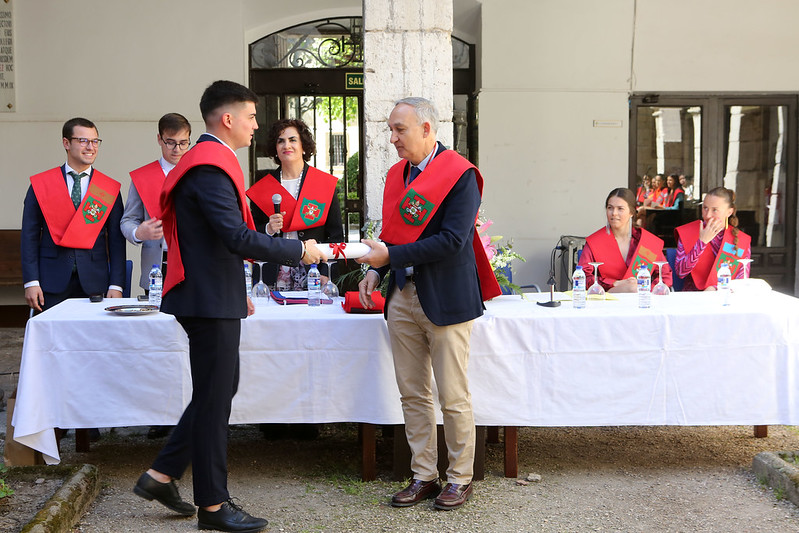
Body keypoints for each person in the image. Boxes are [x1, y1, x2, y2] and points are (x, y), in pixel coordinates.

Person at [132, 80, 323, 533]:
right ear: (228, 119)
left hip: (212, 292)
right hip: (206, 298)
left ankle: (162, 474)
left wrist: (238, 290)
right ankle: (213, 507)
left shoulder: (210, 161)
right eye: (252, 117)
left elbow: (218, 239)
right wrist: (298, 250)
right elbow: (235, 237)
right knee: (216, 400)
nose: (257, 126)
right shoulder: (209, 166)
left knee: (218, 391)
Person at [357, 97, 501, 511]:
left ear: (426, 129)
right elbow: (394, 233)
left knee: (452, 395)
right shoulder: (396, 175)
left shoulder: (460, 175)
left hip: (446, 298)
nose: (392, 138)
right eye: (391, 129)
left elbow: (452, 241)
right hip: (402, 295)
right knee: (412, 393)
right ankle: (423, 474)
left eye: (399, 129)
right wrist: (376, 272)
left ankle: (460, 478)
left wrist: (390, 256)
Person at [21, 117, 126, 313]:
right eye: (83, 140)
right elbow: (29, 237)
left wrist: (116, 285)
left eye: (95, 141)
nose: (90, 147)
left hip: (95, 282)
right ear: (66, 143)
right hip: (50, 281)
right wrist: (31, 282)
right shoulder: (42, 184)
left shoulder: (107, 188)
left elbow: (116, 241)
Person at [246, 118, 343, 291]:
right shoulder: (263, 186)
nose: (286, 146)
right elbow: (250, 233)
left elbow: (335, 236)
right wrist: (269, 228)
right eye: (280, 141)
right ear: (275, 149)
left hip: (312, 269)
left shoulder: (323, 183)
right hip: (273, 270)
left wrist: (326, 272)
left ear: (303, 145)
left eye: (292, 140)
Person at [121, 113, 191, 293]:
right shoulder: (143, 177)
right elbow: (128, 220)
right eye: (170, 142)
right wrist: (138, 232)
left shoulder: (198, 174)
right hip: (157, 265)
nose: (177, 149)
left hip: (193, 261)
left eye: (183, 143)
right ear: (159, 139)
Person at [579, 188, 672, 292]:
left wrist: (644, 290)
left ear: (631, 212)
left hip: (640, 298)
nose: (614, 213)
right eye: (610, 208)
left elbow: (664, 276)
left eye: (620, 209)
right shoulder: (595, 242)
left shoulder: (647, 241)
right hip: (607, 298)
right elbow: (582, 276)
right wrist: (615, 283)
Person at [674, 186, 751, 291]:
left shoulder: (740, 239)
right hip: (693, 295)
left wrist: (715, 288)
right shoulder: (688, 232)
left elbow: (741, 279)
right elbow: (680, 272)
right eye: (705, 208)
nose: (708, 215)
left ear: (729, 212)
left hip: (725, 295)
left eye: (715, 210)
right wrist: (701, 242)